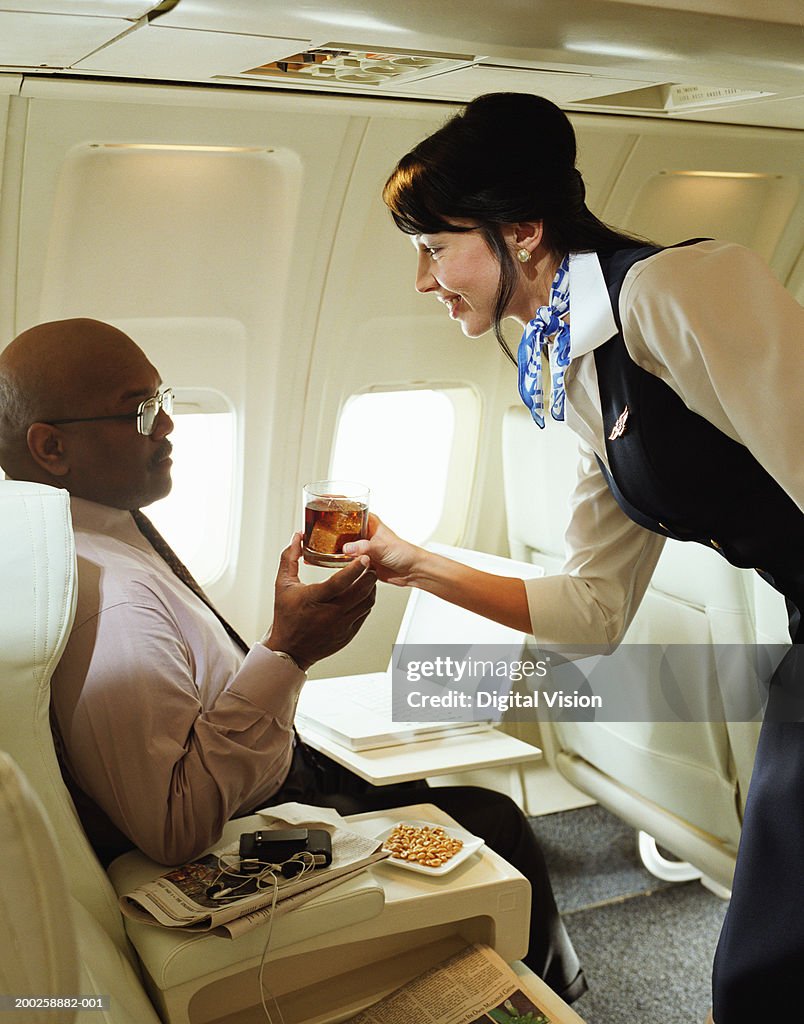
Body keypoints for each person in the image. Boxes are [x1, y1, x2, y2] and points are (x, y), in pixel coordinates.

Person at [340, 93, 804, 1024]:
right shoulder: (575, 363)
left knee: (769, 963)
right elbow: (593, 611)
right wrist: (413, 561)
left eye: (434, 248)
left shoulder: (677, 291)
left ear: (522, 232)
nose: (423, 281)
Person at [0, 316, 586, 1003]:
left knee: (430, 799)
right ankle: (547, 1000)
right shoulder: (113, 604)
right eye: (141, 412)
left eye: (165, 403)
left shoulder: (88, 530)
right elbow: (173, 828)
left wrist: (285, 661)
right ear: (51, 447)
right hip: (249, 829)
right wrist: (289, 652)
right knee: (494, 822)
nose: (167, 429)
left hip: (275, 774)